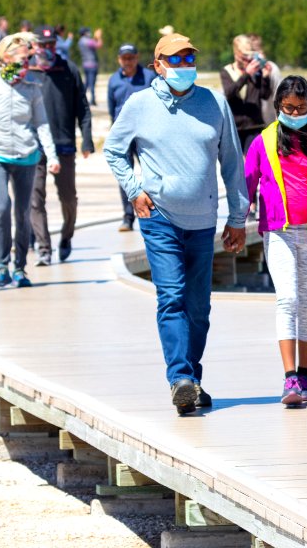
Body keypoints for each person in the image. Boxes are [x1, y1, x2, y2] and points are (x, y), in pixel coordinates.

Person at [103, 32, 248, 415]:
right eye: (176, 60)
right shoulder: (139, 104)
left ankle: (192, 382)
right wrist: (135, 190)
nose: (185, 67)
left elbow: (232, 163)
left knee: (199, 307)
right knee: (171, 297)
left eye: (189, 59)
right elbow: (114, 151)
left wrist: (238, 216)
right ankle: (179, 378)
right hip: (159, 217)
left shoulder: (214, 102)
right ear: (158, 65)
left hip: (203, 219)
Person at [245, 76, 307, 406]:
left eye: (300, 108)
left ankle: (304, 374)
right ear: (277, 107)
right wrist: (236, 220)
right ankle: (290, 378)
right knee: (287, 299)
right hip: (279, 232)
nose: (294, 112)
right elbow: (246, 182)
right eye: (287, 108)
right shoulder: (264, 141)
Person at [0, 32, 60, 289]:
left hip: (27, 157)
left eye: (27, 59)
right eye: (21, 59)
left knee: (22, 212)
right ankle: (1, 265)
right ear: (5, 58)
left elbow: (41, 123)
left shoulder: (32, 87)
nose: (25, 64)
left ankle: (19, 267)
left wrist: (51, 155)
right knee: (2, 207)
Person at [29, 25, 94, 266]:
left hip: (64, 144)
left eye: (51, 45)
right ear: (34, 46)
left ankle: (66, 237)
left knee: (68, 198)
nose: (47, 49)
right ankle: (43, 248)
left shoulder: (69, 69)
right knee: (35, 199)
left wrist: (86, 138)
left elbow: (83, 107)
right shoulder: (28, 71)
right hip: (33, 147)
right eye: (42, 45)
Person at [106, 42, 157, 232]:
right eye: (124, 58)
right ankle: (128, 217)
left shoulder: (149, 76)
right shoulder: (113, 80)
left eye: (131, 58)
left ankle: (153, 210)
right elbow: (112, 110)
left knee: (151, 172)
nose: (128, 61)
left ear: (137, 58)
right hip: (123, 136)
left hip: (146, 134)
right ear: (119, 59)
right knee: (125, 175)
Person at [220, 34, 273, 154]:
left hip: (254, 125)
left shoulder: (256, 70)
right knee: (236, 165)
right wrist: (246, 75)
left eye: (249, 54)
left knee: (252, 165)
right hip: (235, 127)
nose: (247, 59)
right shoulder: (227, 71)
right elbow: (230, 93)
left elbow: (265, 95)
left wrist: (265, 77)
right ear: (236, 53)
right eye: (244, 55)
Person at [248, 34, 282, 127]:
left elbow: (279, 95)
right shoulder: (245, 70)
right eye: (251, 51)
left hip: (269, 121)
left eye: (256, 50)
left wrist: (278, 120)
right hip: (251, 125)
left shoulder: (272, 68)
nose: (254, 55)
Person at [78, 27, 103, 105]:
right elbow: (98, 45)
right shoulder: (88, 41)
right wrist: (99, 37)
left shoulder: (80, 41)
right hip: (92, 64)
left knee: (87, 83)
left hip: (85, 64)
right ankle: (92, 99)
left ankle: (82, 98)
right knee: (92, 83)